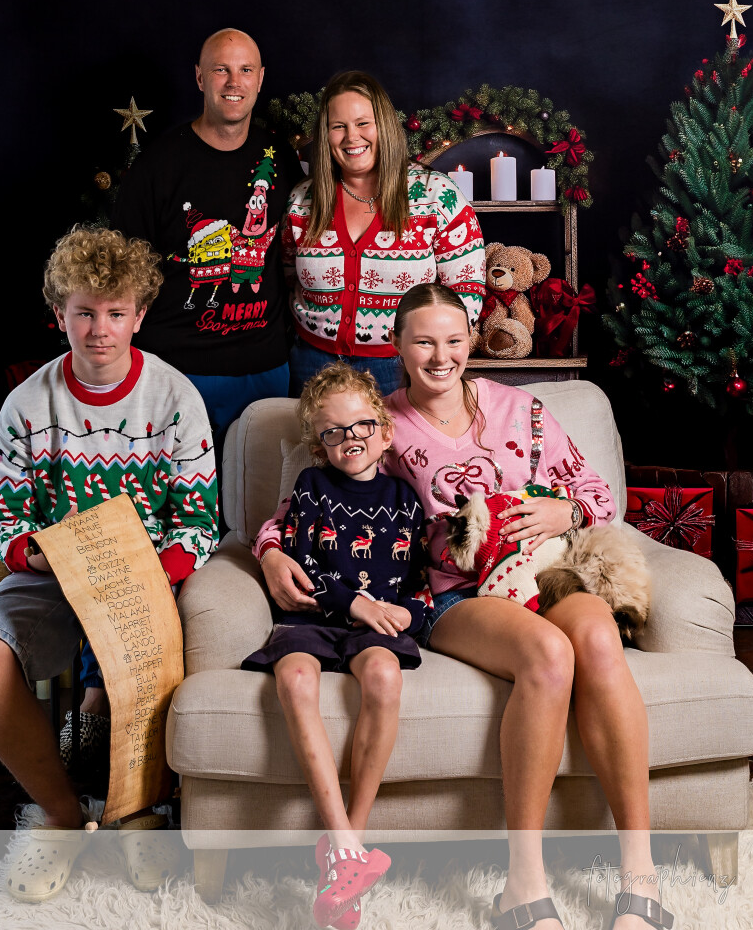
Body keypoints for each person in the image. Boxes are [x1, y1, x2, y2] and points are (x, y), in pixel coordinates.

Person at [256, 284, 674, 930]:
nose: (440, 355)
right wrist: (268, 552)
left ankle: (638, 875)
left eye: (453, 340)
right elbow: (302, 507)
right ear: (397, 346)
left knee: (595, 638)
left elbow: (596, 491)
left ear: (471, 340)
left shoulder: (520, 410)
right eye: (423, 342)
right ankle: (524, 883)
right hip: (457, 594)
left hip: (544, 570)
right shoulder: (382, 424)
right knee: (547, 653)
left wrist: (565, 510)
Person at [0, 226, 219, 902]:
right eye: (84, 312)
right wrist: (41, 555)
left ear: (139, 315)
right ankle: (59, 813)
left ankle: (137, 809)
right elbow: (5, 524)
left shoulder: (175, 398)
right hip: (53, 573)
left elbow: (197, 524)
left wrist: (152, 574)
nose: (100, 330)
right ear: (59, 314)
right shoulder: (27, 402)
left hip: (146, 574)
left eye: (115, 313)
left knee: (152, 656)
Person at [245, 361, 429, 929]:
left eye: (362, 425)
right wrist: (355, 604)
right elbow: (302, 566)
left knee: (384, 677)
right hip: (316, 614)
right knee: (295, 677)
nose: (351, 438)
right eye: (333, 431)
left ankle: (350, 844)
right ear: (318, 445)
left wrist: (411, 611)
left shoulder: (406, 499)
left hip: (376, 625)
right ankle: (343, 842)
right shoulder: (311, 488)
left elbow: (423, 582)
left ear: (385, 432)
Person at [111, 27, 303, 464]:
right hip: (177, 368)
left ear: (260, 78)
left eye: (245, 70)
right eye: (221, 70)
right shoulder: (158, 166)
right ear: (200, 77)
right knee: (176, 497)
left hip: (264, 370)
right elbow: (123, 274)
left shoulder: (280, 158)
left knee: (259, 498)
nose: (234, 82)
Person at [284, 70, 485, 397]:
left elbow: (467, 289)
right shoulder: (302, 200)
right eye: (338, 126)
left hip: (400, 367)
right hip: (312, 364)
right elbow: (287, 277)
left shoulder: (436, 195)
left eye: (363, 123)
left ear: (385, 126)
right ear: (326, 134)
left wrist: (434, 354)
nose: (352, 137)